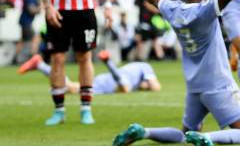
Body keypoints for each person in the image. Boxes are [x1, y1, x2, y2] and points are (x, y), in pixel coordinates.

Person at [112, 0, 240, 146]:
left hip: (194, 87)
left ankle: (144, 132)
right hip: (218, 84)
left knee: (185, 133)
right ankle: (209, 137)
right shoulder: (205, 10)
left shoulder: (173, 9)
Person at [18, 51, 161, 94]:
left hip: (106, 84)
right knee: (125, 88)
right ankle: (108, 62)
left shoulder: (141, 69)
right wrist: (147, 86)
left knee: (72, 88)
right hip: (115, 79)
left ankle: (41, 66)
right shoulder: (146, 68)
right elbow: (156, 87)